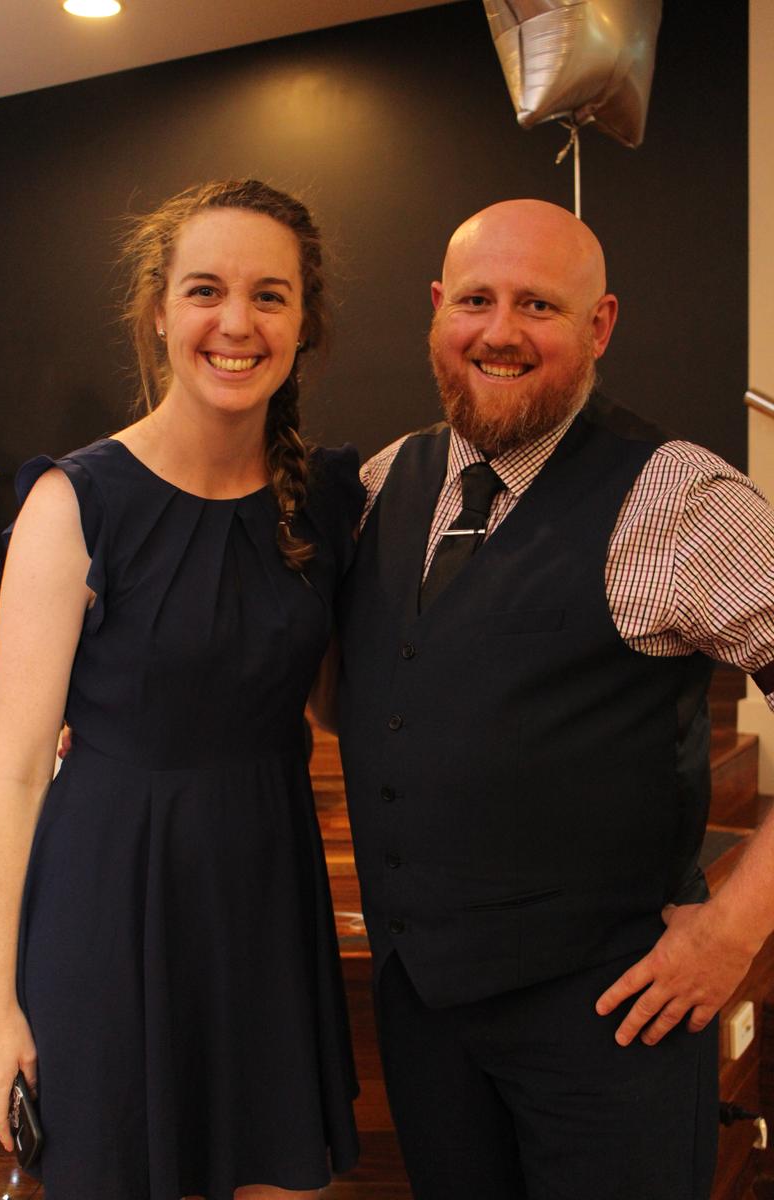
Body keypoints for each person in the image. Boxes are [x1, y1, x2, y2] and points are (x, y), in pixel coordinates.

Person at [334, 199, 774, 1199]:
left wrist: (733, 932)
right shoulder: (382, 482)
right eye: (476, 301)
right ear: (437, 309)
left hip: (610, 1018)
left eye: (538, 305)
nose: (500, 331)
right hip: (424, 1012)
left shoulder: (681, 498)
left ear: (599, 325)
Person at [0, 179, 363, 1199]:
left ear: (303, 323)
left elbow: (339, 704)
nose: (236, 322)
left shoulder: (329, 497)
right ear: (157, 311)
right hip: (108, 900)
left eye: (269, 295)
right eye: (204, 290)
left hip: (267, 896)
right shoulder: (76, 501)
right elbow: (14, 771)